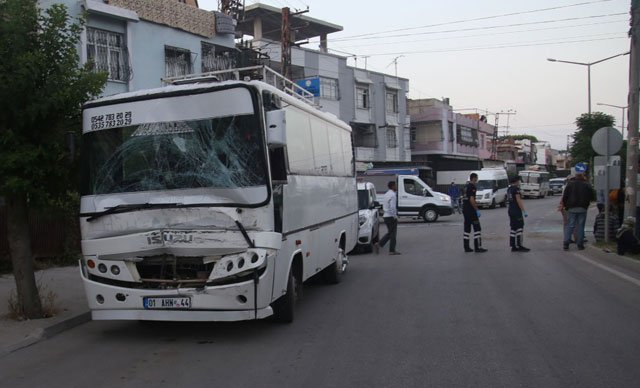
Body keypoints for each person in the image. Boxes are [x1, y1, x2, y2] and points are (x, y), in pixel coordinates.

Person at [561, 166, 594, 250]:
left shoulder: (570, 184)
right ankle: (580, 244)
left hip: (571, 207)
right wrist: (587, 204)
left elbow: (565, 196)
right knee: (580, 226)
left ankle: (566, 243)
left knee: (570, 225)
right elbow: (592, 196)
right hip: (582, 208)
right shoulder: (587, 184)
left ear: (575, 175)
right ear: (583, 175)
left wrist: (566, 206)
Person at [462, 173, 487, 253]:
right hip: (471, 210)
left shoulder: (465, 186)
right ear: (473, 178)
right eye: (476, 178)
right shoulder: (472, 187)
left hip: (465, 210)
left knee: (467, 229)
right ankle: (478, 247)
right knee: (477, 229)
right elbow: (472, 199)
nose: (477, 180)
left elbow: (464, 197)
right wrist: (476, 209)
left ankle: (466, 247)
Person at [376, 181, 401, 255]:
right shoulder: (393, 195)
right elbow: (392, 207)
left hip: (386, 215)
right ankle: (392, 250)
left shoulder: (386, 194)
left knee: (390, 233)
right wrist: (395, 216)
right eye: (395, 185)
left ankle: (379, 244)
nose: (396, 187)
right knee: (393, 234)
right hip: (390, 216)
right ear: (393, 186)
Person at [507, 176, 530, 252]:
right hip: (516, 211)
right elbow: (518, 200)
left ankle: (513, 245)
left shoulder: (509, 189)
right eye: (519, 181)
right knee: (520, 227)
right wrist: (523, 211)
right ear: (516, 181)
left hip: (510, 210)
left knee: (513, 228)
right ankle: (519, 245)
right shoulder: (516, 189)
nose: (519, 182)